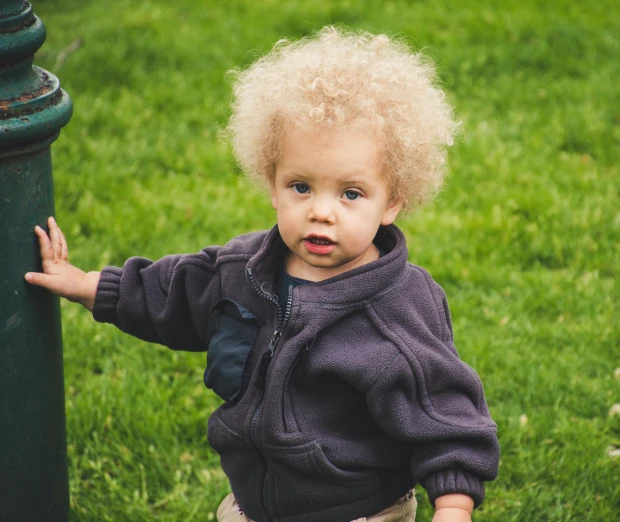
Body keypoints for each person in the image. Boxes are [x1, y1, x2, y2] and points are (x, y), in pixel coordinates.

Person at [25, 26, 499, 522]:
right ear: (271, 184)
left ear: (393, 201)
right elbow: (172, 293)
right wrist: (84, 284)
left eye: (351, 194)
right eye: (300, 186)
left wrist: (452, 506)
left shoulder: (398, 308)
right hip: (251, 505)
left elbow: (446, 416)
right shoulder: (242, 270)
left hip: (357, 510)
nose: (321, 211)